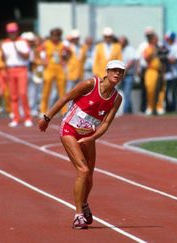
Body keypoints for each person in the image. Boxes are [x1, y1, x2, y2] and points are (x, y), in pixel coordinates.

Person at [38, 60, 124, 229]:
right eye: (114, 70)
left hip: (89, 135)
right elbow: (65, 98)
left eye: (121, 72)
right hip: (69, 129)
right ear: (106, 72)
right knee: (82, 170)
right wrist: (47, 118)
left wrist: (92, 138)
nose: (117, 74)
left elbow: (106, 123)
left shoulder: (116, 98)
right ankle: (78, 215)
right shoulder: (90, 84)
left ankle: (84, 203)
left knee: (90, 177)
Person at [1, 22, 32, 127]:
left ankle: (27, 117)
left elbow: (27, 56)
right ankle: (16, 118)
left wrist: (19, 51)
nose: (12, 34)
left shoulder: (23, 42)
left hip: (21, 69)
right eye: (10, 32)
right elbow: (3, 58)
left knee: (23, 94)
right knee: (13, 96)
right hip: (10, 70)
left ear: (17, 31)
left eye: (13, 31)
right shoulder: (4, 43)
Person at [39, 28, 70, 116]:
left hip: (59, 68)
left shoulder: (63, 44)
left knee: (62, 91)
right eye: (53, 36)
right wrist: (43, 60)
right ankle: (43, 110)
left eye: (57, 36)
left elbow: (69, 53)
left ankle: (64, 111)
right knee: (46, 90)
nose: (55, 38)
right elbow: (38, 51)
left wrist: (65, 59)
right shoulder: (46, 44)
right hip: (49, 68)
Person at [143, 33, 165, 115]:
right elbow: (146, 59)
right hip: (151, 70)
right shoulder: (148, 49)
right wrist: (154, 52)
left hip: (159, 71)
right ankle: (150, 106)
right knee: (150, 88)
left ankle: (159, 107)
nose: (156, 40)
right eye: (155, 39)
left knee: (161, 90)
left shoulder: (160, 48)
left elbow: (164, 59)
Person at [164, 31, 177, 112]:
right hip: (166, 74)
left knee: (174, 91)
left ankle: (174, 107)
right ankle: (168, 107)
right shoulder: (165, 47)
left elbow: (176, 59)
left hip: (174, 73)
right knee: (166, 91)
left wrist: (166, 59)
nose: (168, 40)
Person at [119, 36, 136, 114]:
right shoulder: (118, 49)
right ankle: (130, 112)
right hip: (120, 75)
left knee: (127, 94)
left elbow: (131, 61)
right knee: (123, 94)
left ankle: (125, 113)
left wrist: (124, 70)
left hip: (128, 75)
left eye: (121, 41)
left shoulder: (130, 49)